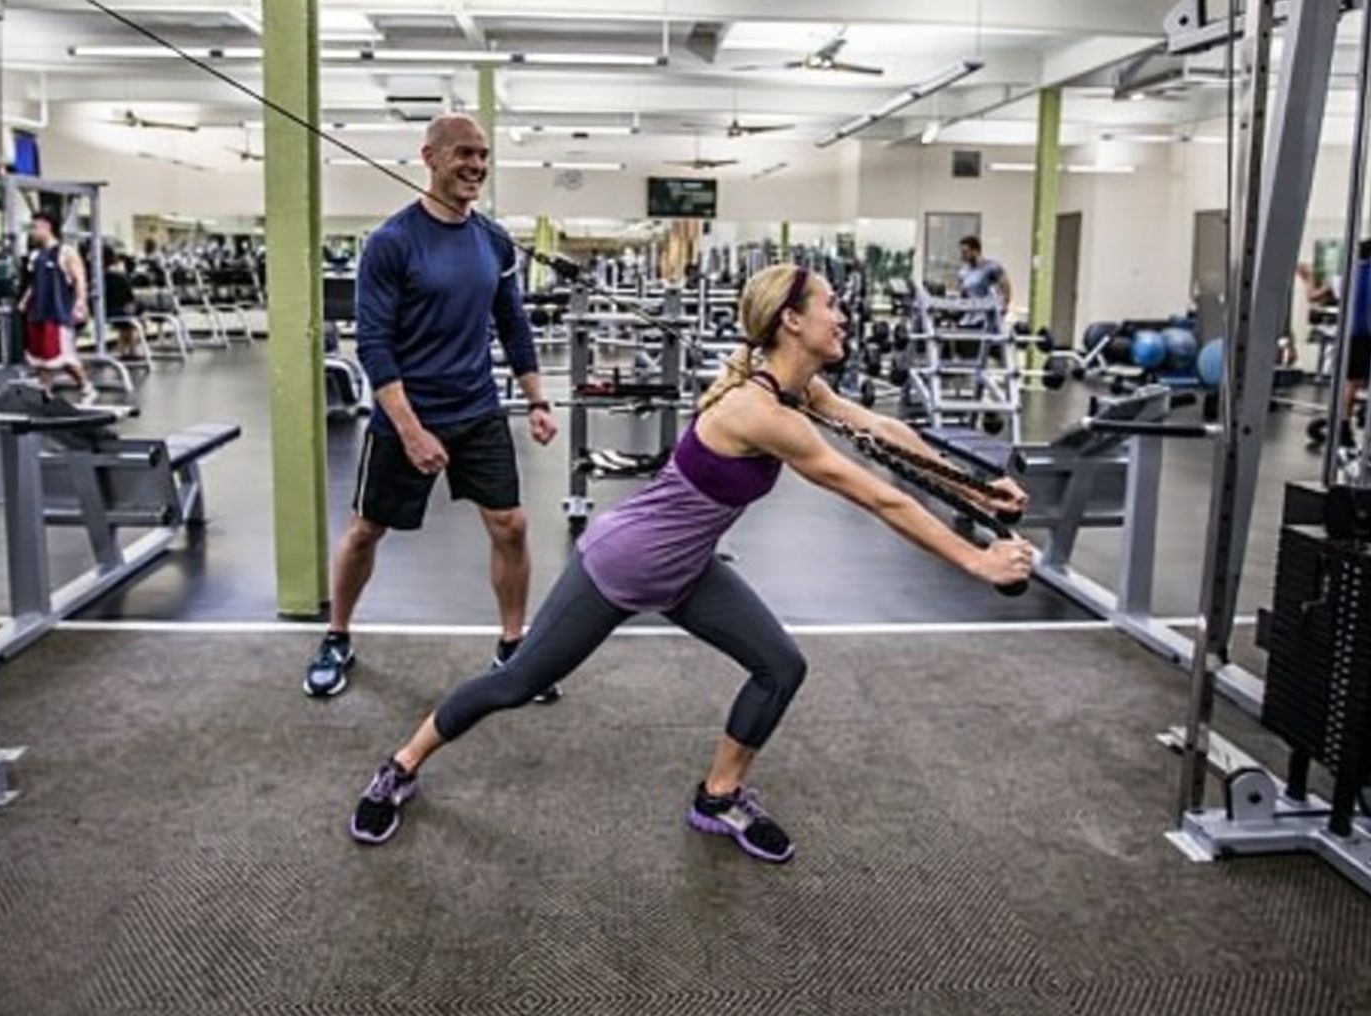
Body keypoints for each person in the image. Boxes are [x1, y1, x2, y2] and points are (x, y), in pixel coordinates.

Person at [346, 264, 1034, 862]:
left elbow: (884, 429)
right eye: (830, 305)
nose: (843, 315)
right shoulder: (759, 413)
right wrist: (976, 562)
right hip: (624, 562)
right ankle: (400, 767)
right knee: (518, 681)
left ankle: (719, 795)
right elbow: (880, 498)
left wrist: (977, 490)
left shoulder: (797, 389)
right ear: (792, 321)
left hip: (688, 566)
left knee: (780, 666)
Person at [303, 113, 561, 700]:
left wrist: (537, 399)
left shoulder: (493, 239)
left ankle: (513, 646)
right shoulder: (391, 242)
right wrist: (411, 430)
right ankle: (337, 635)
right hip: (408, 414)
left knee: (511, 525)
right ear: (430, 157)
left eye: (483, 155)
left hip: (478, 408)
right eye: (464, 153)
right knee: (367, 530)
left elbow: (513, 323)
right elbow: (375, 344)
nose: (476, 165)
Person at [17, 210, 93, 401]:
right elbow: (35, 283)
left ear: (47, 227)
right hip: (38, 312)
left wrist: (81, 302)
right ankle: (46, 394)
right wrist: (25, 300)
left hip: (58, 312)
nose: (32, 232)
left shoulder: (66, 252)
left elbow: (80, 278)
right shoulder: (36, 255)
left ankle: (86, 387)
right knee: (41, 358)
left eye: (35, 227)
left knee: (63, 356)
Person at [1307, 243, 1369, 451]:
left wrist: (1307, 278)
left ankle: (1344, 426)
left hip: (1353, 334)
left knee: (1351, 383)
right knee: (1353, 382)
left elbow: (1312, 297)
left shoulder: (1344, 278)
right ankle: (1348, 425)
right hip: (1363, 334)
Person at [957, 235, 1011, 332]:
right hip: (970, 317)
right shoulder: (963, 272)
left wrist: (1005, 305)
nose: (962, 255)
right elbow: (963, 293)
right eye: (961, 252)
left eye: (965, 252)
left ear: (975, 251)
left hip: (987, 317)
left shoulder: (991, 267)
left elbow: (1005, 285)